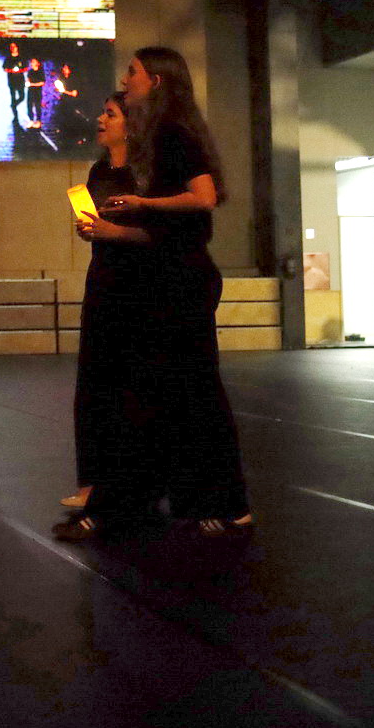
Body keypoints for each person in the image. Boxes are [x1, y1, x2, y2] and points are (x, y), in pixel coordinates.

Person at [54, 46, 252, 540]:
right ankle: (135, 502)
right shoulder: (155, 141)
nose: (126, 80)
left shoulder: (175, 134)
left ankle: (226, 505)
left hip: (180, 282)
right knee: (149, 396)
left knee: (194, 396)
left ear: (157, 81)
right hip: (160, 280)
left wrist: (141, 204)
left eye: (134, 72)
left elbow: (204, 198)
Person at [62, 92, 152, 512]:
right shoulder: (99, 170)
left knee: (132, 386)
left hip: (140, 284)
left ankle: (134, 485)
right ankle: (92, 482)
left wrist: (117, 233)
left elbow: (165, 233)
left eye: (110, 113)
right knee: (93, 383)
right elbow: (101, 223)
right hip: (102, 277)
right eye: (103, 112)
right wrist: (91, 229)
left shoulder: (148, 173)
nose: (100, 119)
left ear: (131, 124)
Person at [3, 41, 27, 119]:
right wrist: (11, 71)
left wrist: (19, 71)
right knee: (13, 96)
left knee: (22, 96)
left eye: (14, 46)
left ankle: (13, 105)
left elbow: (26, 68)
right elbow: (4, 68)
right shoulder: (8, 58)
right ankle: (15, 116)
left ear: (17, 47)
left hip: (20, 80)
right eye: (11, 47)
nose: (13, 48)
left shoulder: (21, 57)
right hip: (11, 80)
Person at [23, 57, 46, 129]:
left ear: (38, 63)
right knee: (29, 105)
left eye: (33, 62)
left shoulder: (41, 72)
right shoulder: (30, 71)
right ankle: (31, 120)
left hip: (37, 91)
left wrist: (32, 84)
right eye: (31, 62)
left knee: (37, 106)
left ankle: (38, 121)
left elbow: (42, 82)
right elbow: (28, 79)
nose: (32, 63)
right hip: (30, 91)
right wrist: (27, 82)